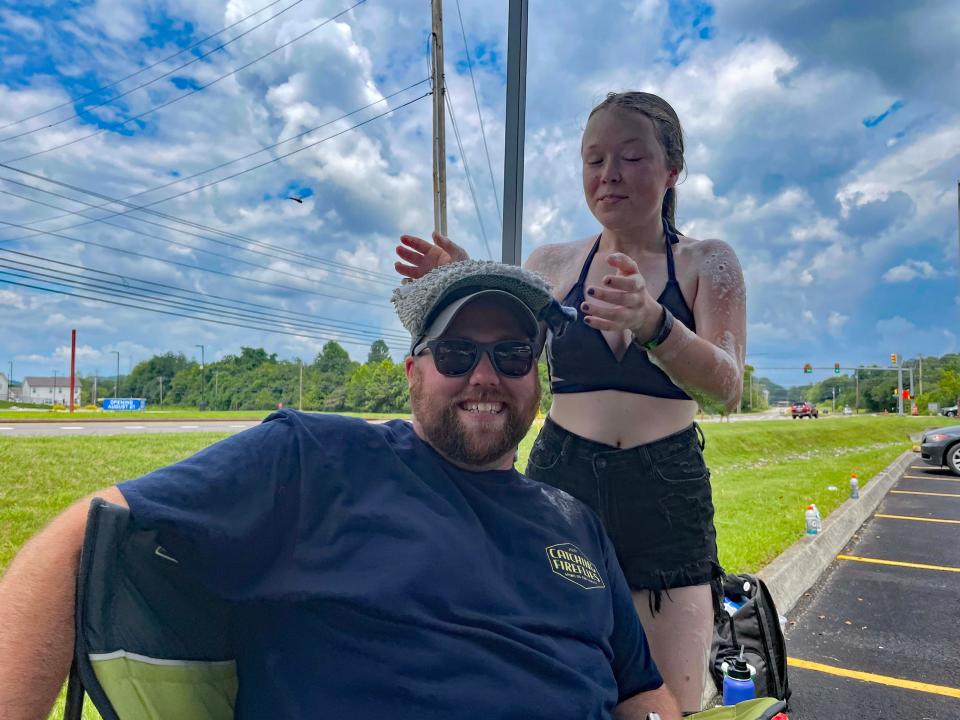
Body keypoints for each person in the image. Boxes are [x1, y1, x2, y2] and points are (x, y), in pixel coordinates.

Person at [0, 261, 680, 720]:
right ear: (414, 372)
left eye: (511, 356)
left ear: (536, 380)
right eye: (455, 354)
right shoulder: (317, 460)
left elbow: (642, 690)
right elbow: (90, 533)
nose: (484, 376)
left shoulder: (574, 525)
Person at [395, 91, 747, 712]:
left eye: (631, 157)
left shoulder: (706, 261)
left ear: (671, 172)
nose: (608, 173)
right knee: (544, 669)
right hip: (561, 480)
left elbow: (726, 389)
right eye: (594, 159)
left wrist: (654, 323)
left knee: (673, 695)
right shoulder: (552, 262)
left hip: (665, 488)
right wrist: (468, 279)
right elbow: (503, 341)